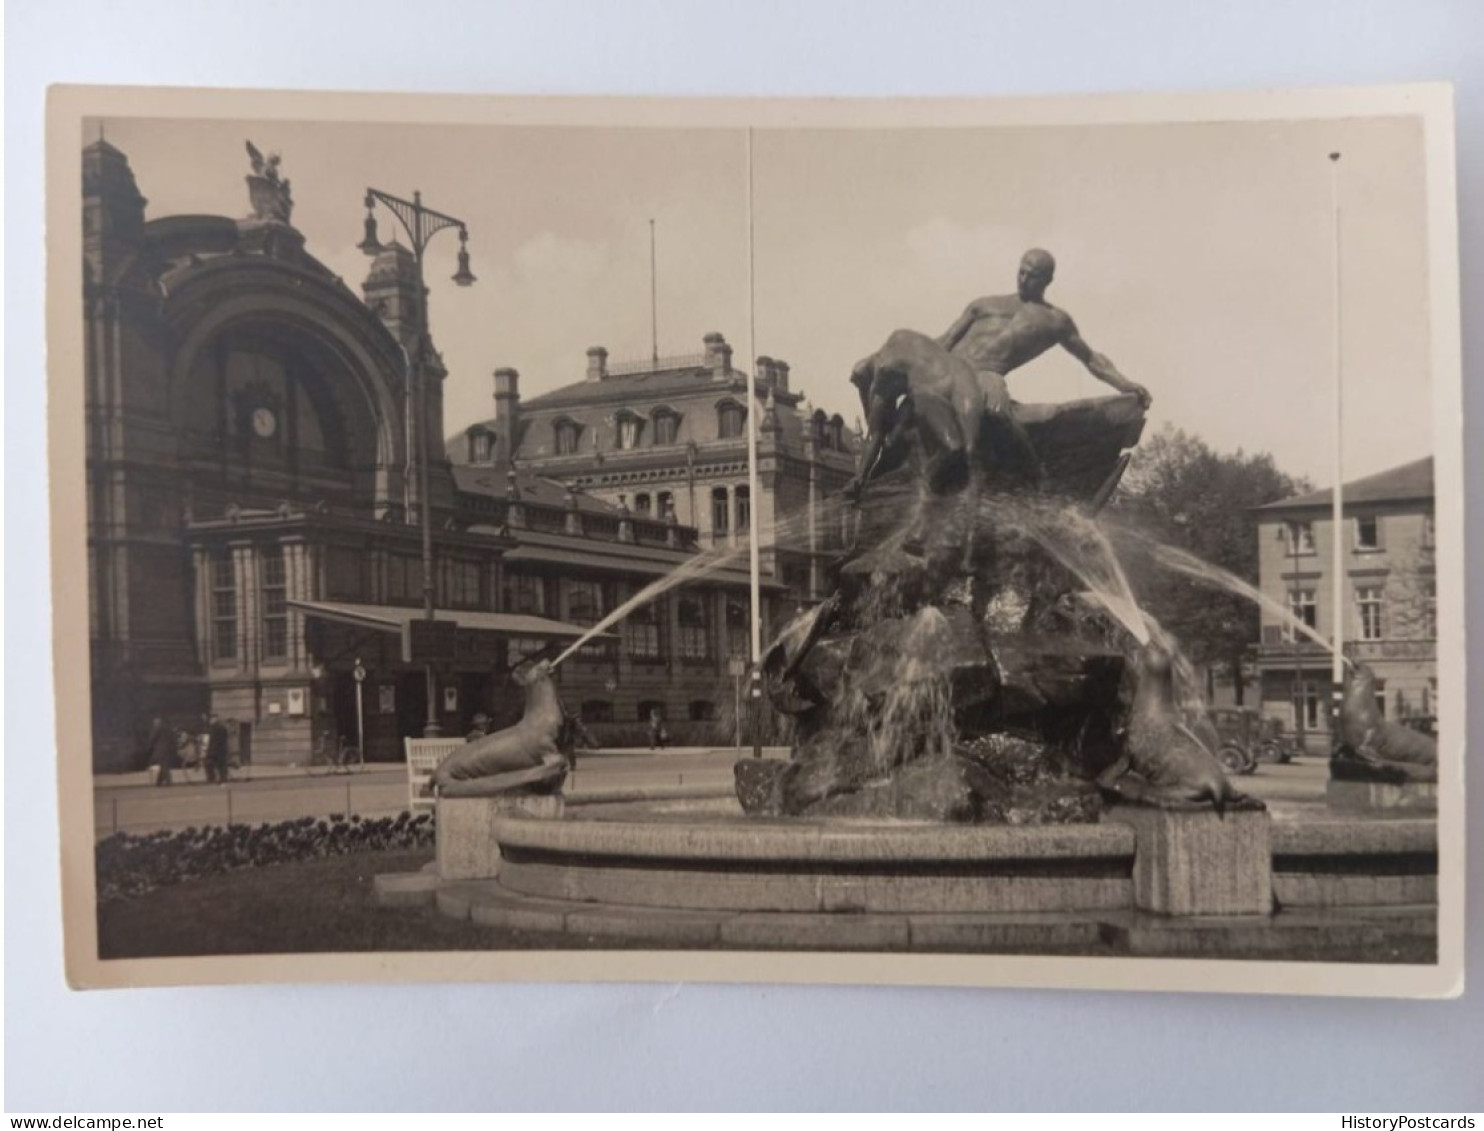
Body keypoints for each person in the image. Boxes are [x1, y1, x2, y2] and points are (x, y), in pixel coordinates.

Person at [844, 249, 1152, 503]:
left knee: (996, 420)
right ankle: (873, 486)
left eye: (1033, 275)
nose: (1024, 279)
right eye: (1022, 271)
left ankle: (1029, 491)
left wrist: (1125, 384)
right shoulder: (982, 304)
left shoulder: (1056, 321)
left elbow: (1092, 358)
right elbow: (943, 342)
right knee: (900, 429)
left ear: (1047, 280)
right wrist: (879, 360)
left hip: (988, 376)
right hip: (948, 369)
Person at [145, 716, 176, 787]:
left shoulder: (157, 729)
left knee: (164, 765)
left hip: (160, 749)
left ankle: (169, 781)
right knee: (163, 764)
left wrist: (148, 748)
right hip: (168, 749)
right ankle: (159, 782)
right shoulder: (167, 729)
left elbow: (152, 739)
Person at [205, 714, 231, 785]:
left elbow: (215, 741)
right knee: (220, 765)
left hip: (218, 750)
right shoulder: (216, 727)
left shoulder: (218, 728)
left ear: (214, 719)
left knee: (219, 765)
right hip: (219, 750)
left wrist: (211, 751)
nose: (210, 721)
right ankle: (220, 779)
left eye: (211, 719)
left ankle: (217, 779)